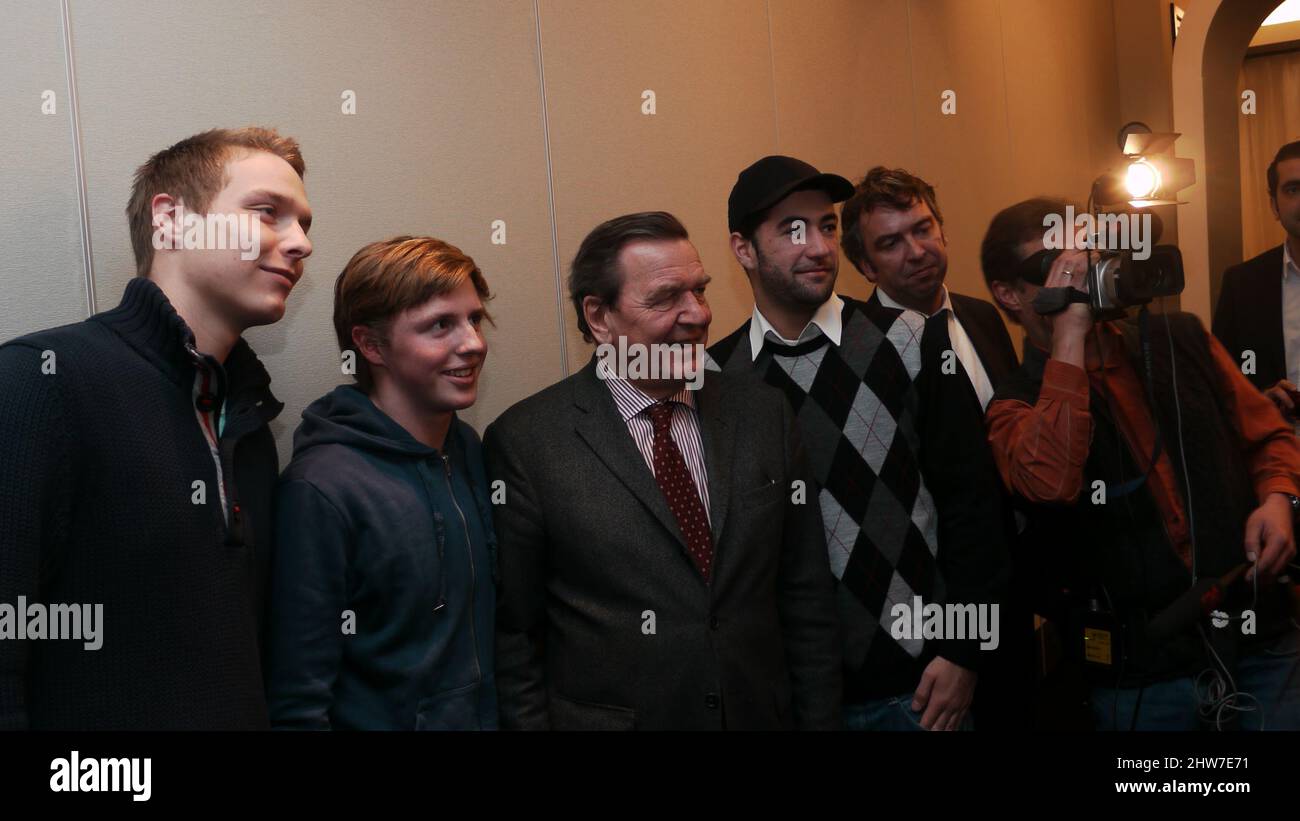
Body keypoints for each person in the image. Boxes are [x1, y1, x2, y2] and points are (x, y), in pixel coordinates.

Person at [0, 126, 312, 729]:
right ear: (170, 219)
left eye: (305, 224)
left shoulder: (248, 420)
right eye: (268, 212)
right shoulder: (41, 382)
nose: (300, 243)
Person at [486, 211, 841, 730]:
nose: (696, 314)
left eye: (700, 291)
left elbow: (805, 593)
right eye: (666, 298)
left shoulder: (764, 414)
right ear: (599, 317)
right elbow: (517, 636)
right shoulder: (528, 442)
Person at [709, 158, 1009, 730]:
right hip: (797, 700)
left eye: (825, 225)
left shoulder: (913, 340)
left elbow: (973, 505)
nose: (818, 246)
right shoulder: (717, 378)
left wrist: (964, 651)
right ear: (743, 249)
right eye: (792, 230)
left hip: (920, 689)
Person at [982, 196, 1300, 730]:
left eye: (1088, 258)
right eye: (1057, 268)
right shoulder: (1013, 404)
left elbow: (1266, 434)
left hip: (1258, 639)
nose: (1082, 276)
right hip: (1145, 676)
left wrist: (1277, 499)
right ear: (1009, 295)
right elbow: (1050, 482)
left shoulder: (1180, 338)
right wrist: (1069, 335)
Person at [267, 237, 498, 730]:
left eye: (474, 319)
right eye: (441, 325)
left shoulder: (468, 449)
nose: (474, 343)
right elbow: (297, 699)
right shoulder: (320, 488)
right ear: (371, 345)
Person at [1214, 140, 1300, 419]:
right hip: (1275, 452)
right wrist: (1258, 403)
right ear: (1274, 205)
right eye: (1292, 189)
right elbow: (1221, 385)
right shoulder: (1241, 285)